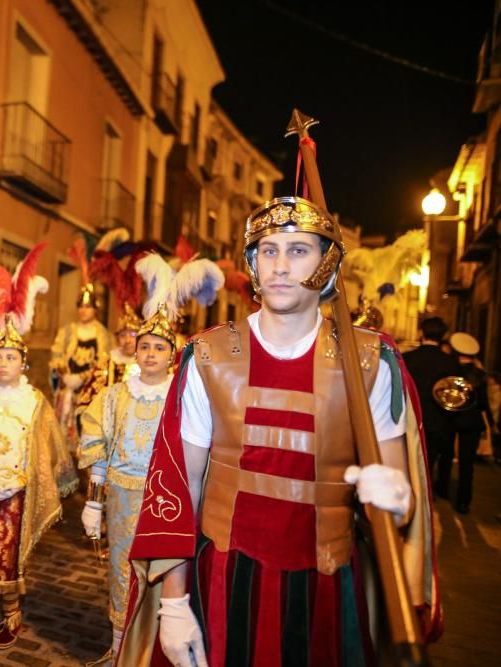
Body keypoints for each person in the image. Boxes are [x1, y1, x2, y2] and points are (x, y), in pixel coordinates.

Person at [120, 197, 440, 666]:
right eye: (268, 250)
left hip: (326, 587)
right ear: (252, 263)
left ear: (327, 263)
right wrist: (174, 601)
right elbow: (180, 486)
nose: (281, 266)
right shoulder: (209, 355)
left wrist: (395, 499)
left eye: (298, 250)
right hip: (222, 578)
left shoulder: (370, 362)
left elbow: (396, 500)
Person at [0, 243, 76, 649]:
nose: (2, 364)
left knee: (7, 554)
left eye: (10, 358)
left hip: (15, 491)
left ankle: (10, 611)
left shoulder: (35, 402)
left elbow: (49, 446)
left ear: (23, 363)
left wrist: (38, 479)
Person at [79, 300, 175, 662]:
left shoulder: (179, 396)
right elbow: (97, 448)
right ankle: (119, 648)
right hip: (121, 497)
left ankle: (153, 649)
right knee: (121, 572)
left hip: (164, 499)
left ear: (171, 355)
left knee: (160, 574)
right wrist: (93, 502)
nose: (150, 353)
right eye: (145, 345)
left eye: (159, 347)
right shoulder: (114, 396)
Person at [402, 316, 461, 499]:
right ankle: (424, 495)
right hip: (438, 420)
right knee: (429, 460)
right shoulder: (450, 362)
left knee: (407, 459)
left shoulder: (407, 357)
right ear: (443, 335)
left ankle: (408, 493)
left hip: (409, 418)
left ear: (421, 333)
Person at [50, 284, 111, 449]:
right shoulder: (67, 331)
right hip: (68, 390)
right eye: (81, 306)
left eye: (88, 307)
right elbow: (56, 357)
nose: (83, 310)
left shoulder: (103, 334)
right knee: (64, 436)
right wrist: (65, 376)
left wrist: (83, 378)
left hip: (91, 393)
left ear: (95, 310)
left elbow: (105, 364)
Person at [448, 332, 493, 514]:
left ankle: (441, 489)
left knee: (445, 457)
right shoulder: (480, 375)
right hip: (472, 423)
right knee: (467, 465)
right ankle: (463, 501)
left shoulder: (451, 370)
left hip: (451, 420)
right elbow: (483, 403)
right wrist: (490, 422)